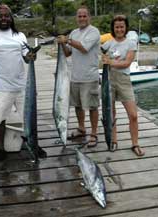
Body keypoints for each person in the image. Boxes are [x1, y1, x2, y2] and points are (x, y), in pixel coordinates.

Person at [0, 4, 46, 164]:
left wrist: (31, 56)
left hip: (22, 86)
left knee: (30, 118)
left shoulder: (19, 36)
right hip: (2, 87)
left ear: (11, 18)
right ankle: (1, 149)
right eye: (0, 16)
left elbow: (26, 58)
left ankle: (34, 144)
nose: (3, 19)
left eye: (6, 16)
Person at [101, 15, 145, 156]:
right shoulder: (108, 43)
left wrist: (110, 62)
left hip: (124, 80)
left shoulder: (131, 43)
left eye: (121, 26)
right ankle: (114, 140)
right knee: (111, 114)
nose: (119, 29)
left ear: (125, 28)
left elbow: (126, 63)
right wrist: (103, 58)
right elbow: (99, 54)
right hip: (109, 79)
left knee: (133, 115)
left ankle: (135, 144)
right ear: (113, 28)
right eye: (117, 27)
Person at [57, 6, 100, 147]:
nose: (82, 18)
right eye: (79, 16)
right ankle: (81, 128)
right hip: (75, 77)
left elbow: (83, 48)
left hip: (90, 77)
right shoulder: (74, 33)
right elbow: (69, 53)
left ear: (89, 17)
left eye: (84, 16)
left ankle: (94, 134)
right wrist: (62, 44)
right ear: (76, 18)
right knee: (78, 106)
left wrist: (67, 40)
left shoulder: (94, 31)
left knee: (92, 107)